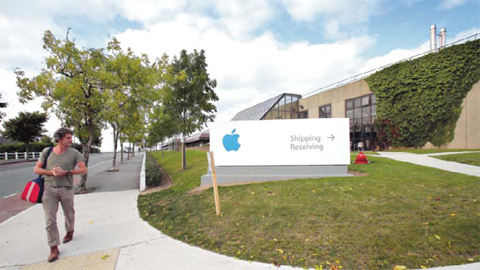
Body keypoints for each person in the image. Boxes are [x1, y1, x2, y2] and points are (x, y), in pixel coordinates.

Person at [34, 127, 87, 262]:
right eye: (68, 138)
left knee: (69, 213)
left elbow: (83, 169)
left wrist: (67, 172)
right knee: (50, 219)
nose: (71, 140)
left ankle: (70, 231)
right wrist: (51, 172)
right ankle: (53, 248)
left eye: (71, 137)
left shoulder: (75, 153)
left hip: (66, 188)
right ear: (59, 138)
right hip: (49, 189)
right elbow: (37, 169)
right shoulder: (47, 152)